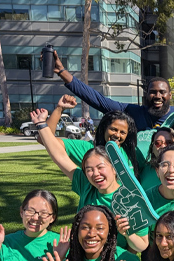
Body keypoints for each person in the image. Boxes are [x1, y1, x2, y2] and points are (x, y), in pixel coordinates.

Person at [31, 108, 149, 252]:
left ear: (114, 169)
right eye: (89, 169)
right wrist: (42, 125)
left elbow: (142, 245)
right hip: (81, 259)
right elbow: (59, 156)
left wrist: (128, 234)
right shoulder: (85, 184)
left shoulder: (132, 200)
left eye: (100, 167)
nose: (95, 174)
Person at [45, 50, 174, 135]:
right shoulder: (132, 111)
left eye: (162, 92)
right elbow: (96, 99)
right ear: (146, 94)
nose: (158, 96)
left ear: (170, 95)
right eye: (153, 92)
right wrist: (62, 72)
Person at [38, 95, 142, 177]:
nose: (117, 135)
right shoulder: (88, 149)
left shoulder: (131, 153)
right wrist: (59, 109)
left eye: (122, 132)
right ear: (104, 128)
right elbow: (45, 140)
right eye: (113, 129)